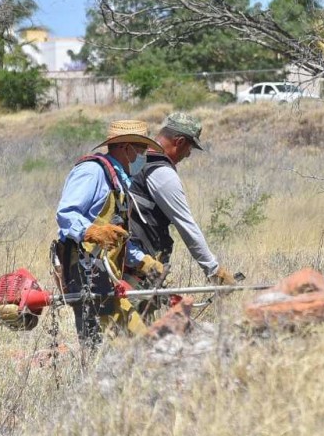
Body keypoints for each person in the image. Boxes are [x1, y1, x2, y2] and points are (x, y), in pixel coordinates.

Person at [54, 119, 163, 347]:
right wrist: (90, 231)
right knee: (104, 347)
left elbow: (115, 237)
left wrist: (143, 261)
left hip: (108, 277)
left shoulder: (118, 181)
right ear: (126, 148)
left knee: (143, 339)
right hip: (85, 273)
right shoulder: (92, 172)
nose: (143, 157)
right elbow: (66, 214)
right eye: (141, 150)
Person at [127, 112, 236, 300]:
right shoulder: (161, 171)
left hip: (124, 258)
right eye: (190, 147)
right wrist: (213, 270)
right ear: (179, 142)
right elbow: (185, 224)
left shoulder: (135, 160)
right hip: (139, 265)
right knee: (136, 316)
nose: (188, 154)